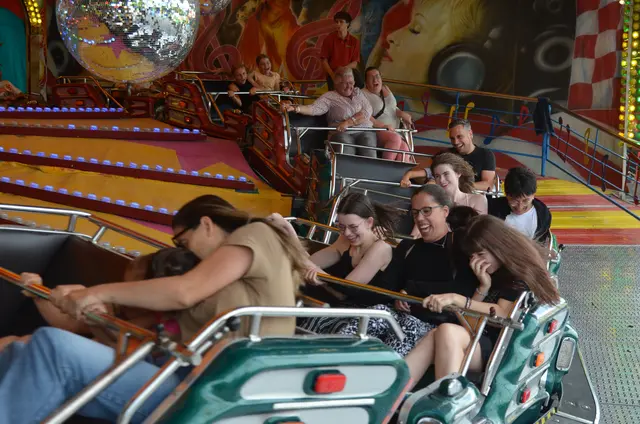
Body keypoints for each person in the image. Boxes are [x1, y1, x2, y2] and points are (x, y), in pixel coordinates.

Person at [0, 194, 308, 423]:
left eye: (182, 241)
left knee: (53, 346)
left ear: (206, 225)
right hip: (178, 375)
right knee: (21, 350)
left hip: (206, 389)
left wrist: (96, 292)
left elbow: (184, 292)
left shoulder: (256, 234)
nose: (183, 250)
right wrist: (94, 310)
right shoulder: (219, 288)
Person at [404, 214, 560, 386]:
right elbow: (470, 324)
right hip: (481, 337)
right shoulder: (489, 273)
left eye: (480, 254)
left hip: (503, 349)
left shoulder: (517, 274)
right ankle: (395, 391)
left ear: (497, 247)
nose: (476, 261)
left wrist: (457, 299)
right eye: (472, 256)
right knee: (436, 334)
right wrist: (483, 288)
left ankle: (448, 397)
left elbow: (503, 313)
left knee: (448, 331)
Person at [336, 185, 479, 356]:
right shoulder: (408, 247)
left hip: (436, 323)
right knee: (375, 314)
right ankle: (334, 356)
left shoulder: (458, 243)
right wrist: (397, 296)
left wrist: (411, 289)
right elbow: (387, 289)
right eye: (415, 213)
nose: (420, 218)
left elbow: (462, 288)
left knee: (405, 327)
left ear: (445, 211)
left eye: (426, 211)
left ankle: (383, 367)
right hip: (399, 316)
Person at [288, 193, 403, 333]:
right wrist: (288, 233)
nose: (347, 233)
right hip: (343, 308)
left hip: (370, 316)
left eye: (353, 227)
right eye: (342, 227)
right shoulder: (344, 241)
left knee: (319, 320)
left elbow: (348, 287)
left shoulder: (380, 248)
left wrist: (321, 277)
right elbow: (310, 263)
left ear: (369, 222)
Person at [283, 67, 377, 158]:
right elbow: (314, 109)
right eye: (345, 83)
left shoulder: (358, 92)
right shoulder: (330, 97)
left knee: (368, 142)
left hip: (364, 130)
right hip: (342, 133)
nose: (349, 86)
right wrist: (296, 108)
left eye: (351, 83)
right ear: (336, 84)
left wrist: (348, 122)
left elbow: (367, 110)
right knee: (345, 144)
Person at [400, 119, 496, 190]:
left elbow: (488, 185)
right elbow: (421, 170)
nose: (456, 142)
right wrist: (411, 176)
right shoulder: (446, 154)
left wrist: (458, 185)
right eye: (452, 138)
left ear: (470, 134)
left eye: (459, 136)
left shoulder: (485, 155)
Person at [362, 66, 414, 162]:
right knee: (395, 139)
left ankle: (400, 171)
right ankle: (384, 167)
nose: (375, 80)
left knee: (405, 148)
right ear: (366, 82)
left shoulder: (385, 88)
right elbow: (364, 115)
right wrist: (383, 126)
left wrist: (401, 113)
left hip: (394, 130)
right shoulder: (362, 94)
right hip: (377, 130)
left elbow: (392, 107)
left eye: (377, 76)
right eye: (371, 77)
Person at [488, 167, 551, 243]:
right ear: (506, 194)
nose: (520, 207)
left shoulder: (543, 215)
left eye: (525, 200)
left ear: (533, 195)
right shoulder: (492, 209)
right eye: (515, 201)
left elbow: (542, 243)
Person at [320, 11, 363, 90]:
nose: (338, 24)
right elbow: (324, 61)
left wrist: (343, 70)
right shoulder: (329, 39)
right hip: (333, 74)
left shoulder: (354, 41)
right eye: (336, 22)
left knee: (359, 86)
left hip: (349, 73)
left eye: (341, 22)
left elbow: (355, 63)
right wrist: (333, 75)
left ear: (347, 24)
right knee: (335, 95)